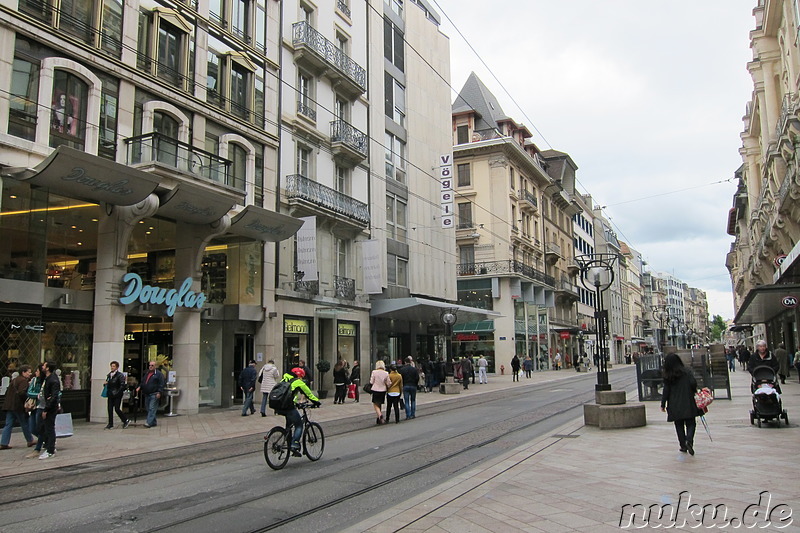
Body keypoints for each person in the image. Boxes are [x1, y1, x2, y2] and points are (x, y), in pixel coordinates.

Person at [660, 353, 702, 455]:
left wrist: (663, 404)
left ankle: (683, 445)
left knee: (678, 425)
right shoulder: (687, 372)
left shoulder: (667, 375)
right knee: (691, 423)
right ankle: (689, 440)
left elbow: (666, 391)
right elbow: (693, 384)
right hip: (688, 401)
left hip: (674, 403)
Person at [274, 367, 320, 456]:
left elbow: (289, 395)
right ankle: (294, 444)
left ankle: (288, 444)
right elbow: (308, 394)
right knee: (299, 425)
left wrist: (296, 403)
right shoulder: (297, 382)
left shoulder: (284, 379)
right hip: (289, 407)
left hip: (279, 407)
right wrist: (316, 402)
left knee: (289, 427)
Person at [1, 364, 34, 450]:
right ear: (23, 372)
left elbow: (8, 392)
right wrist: (28, 400)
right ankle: (30, 440)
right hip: (18, 406)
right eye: (29, 372)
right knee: (24, 423)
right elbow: (22, 393)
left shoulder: (15, 380)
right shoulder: (23, 381)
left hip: (10, 405)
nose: (30, 374)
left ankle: (4, 442)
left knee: (8, 424)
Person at [39, 361, 60, 460]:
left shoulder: (53, 380)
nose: (42, 366)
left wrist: (46, 409)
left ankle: (50, 450)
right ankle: (50, 447)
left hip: (50, 408)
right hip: (47, 406)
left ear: (47, 368)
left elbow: (54, 396)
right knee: (46, 428)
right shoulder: (47, 378)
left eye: (44, 365)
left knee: (49, 428)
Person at [136, 360, 165, 428]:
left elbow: (161, 384)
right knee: (148, 408)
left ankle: (148, 422)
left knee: (152, 408)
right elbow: (143, 381)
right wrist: (139, 387)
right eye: (150, 365)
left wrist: (159, 392)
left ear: (156, 366)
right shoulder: (147, 373)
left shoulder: (159, 374)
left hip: (154, 393)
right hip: (147, 393)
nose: (150, 367)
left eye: (152, 365)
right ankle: (153, 422)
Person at [104, 361, 130, 429]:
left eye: (113, 366)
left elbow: (122, 385)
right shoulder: (109, 375)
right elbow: (108, 384)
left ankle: (125, 420)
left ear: (117, 367)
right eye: (111, 366)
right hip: (110, 394)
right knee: (109, 409)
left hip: (117, 394)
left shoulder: (120, 375)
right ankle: (110, 424)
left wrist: (118, 392)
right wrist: (105, 384)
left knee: (117, 409)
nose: (112, 367)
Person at [369, 360, 392, 425]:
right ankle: (378, 418)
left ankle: (380, 415)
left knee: (375, 404)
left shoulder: (374, 372)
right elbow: (389, 383)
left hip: (375, 389)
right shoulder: (386, 373)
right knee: (380, 403)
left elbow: (371, 382)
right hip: (383, 390)